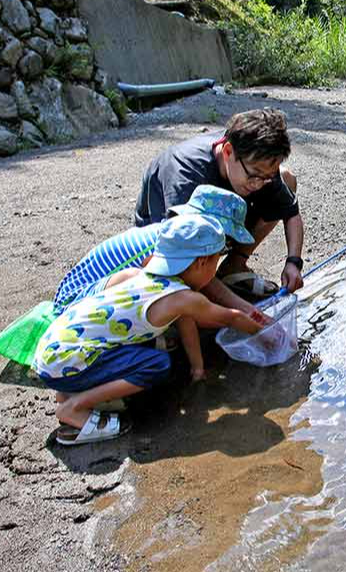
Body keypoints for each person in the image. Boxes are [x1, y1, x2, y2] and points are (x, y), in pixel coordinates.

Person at [33, 215, 280, 446]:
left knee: (138, 347)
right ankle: (75, 408)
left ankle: (68, 392)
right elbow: (230, 317)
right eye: (216, 261)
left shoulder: (141, 276)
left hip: (52, 350)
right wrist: (265, 333)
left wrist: (197, 369)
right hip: (66, 363)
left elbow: (186, 320)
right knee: (156, 364)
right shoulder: (184, 297)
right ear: (203, 261)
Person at [134, 108, 305, 300]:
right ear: (228, 151)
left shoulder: (256, 166)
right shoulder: (186, 174)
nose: (258, 184)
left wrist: (293, 262)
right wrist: (242, 310)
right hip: (167, 246)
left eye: (265, 177)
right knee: (194, 298)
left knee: (286, 179)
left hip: (209, 226)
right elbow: (182, 251)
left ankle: (233, 267)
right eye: (254, 175)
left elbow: (291, 213)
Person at [54, 185, 258, 316]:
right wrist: (239, 312)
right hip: (73, 305)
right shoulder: (166, 247)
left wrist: (243, 309)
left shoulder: (171, 234)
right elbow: (197, 289)